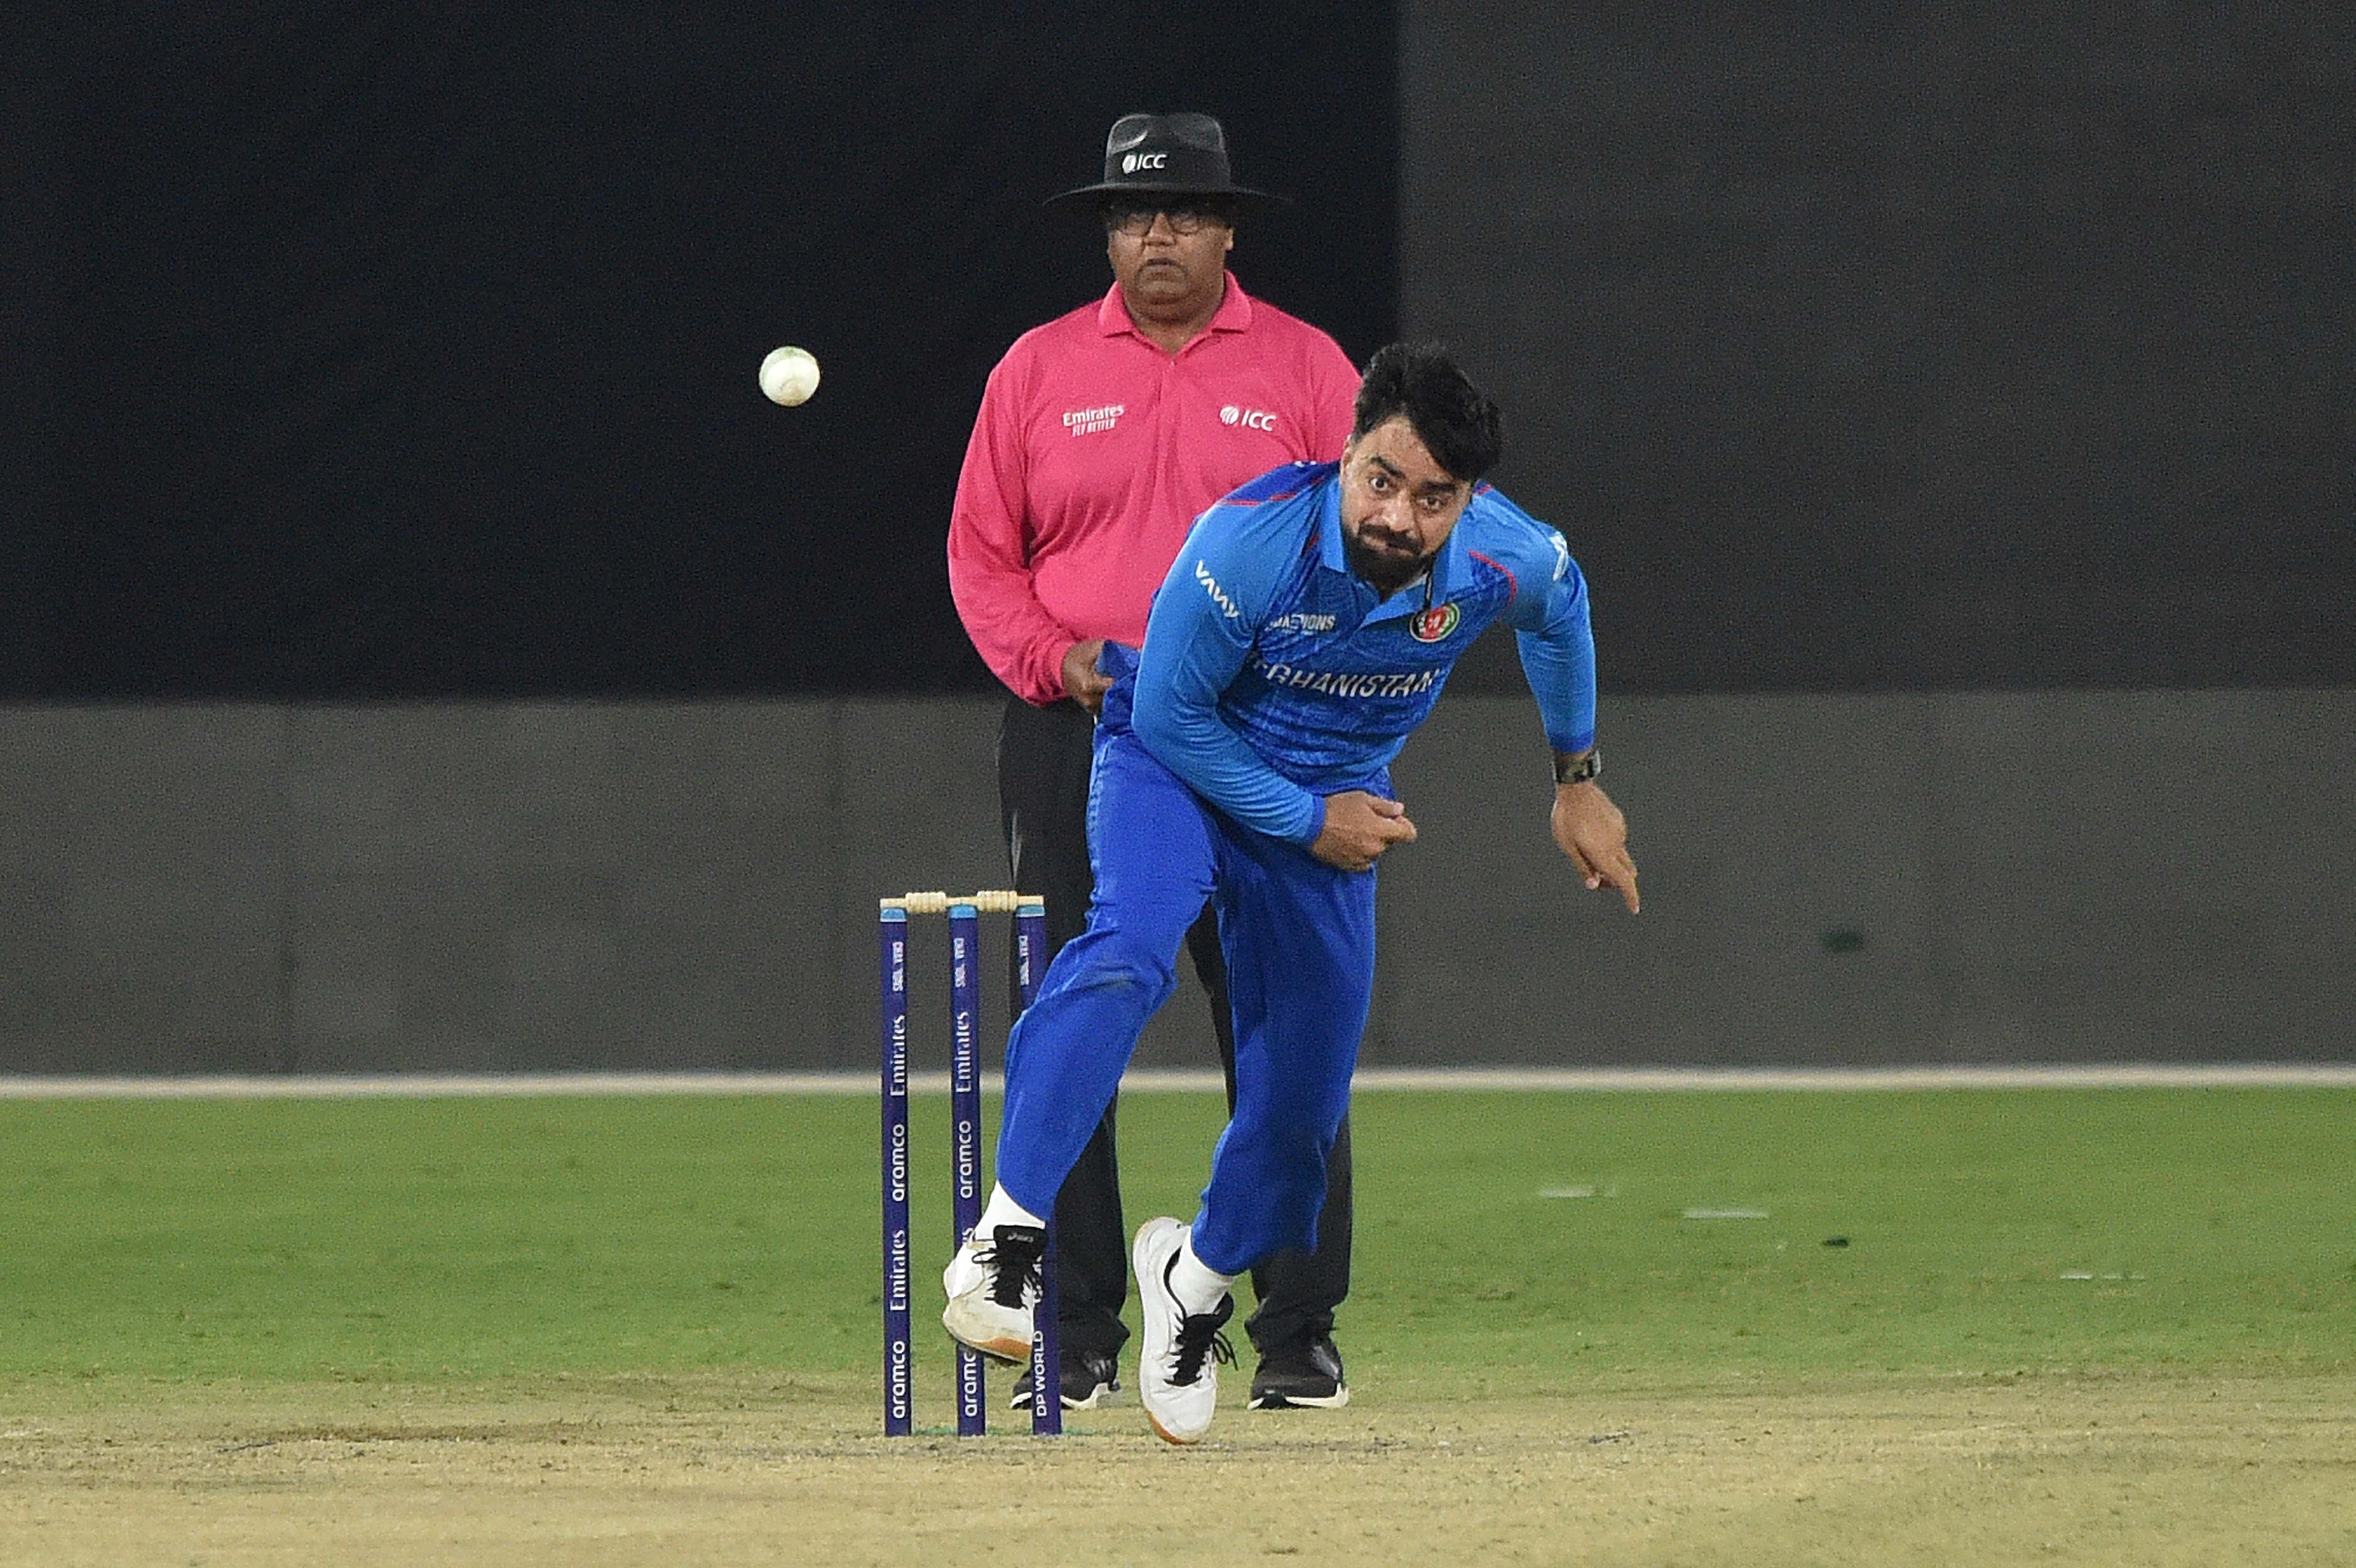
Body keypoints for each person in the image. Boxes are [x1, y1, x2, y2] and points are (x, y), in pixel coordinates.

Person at [942, 343, 1641, 1445]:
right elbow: (1169, 719)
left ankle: (1194, 1279)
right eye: (1380, 478)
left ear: (1470, 500)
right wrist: (1308, 818)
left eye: (1432, 498)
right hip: (1175, 764)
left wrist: (1576, 781)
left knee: (1301, 1107)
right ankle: (1005, 1241)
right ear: (1346, 453)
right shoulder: (1248, 540)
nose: (1398, 516)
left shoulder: (1510, 557)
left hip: (1329, 801)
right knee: (1125, 953)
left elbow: (1565, 614)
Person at [947, 112, 1363, 1412]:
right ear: (1110, 233)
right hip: (1083, 727)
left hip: (1262, 732)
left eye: (1185, 211)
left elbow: (1372, 549)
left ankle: (1292, 1331)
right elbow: (983, 562)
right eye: (1136, 214)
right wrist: (1058, 662)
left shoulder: (1305, 369)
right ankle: (1070, 1330)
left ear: (1228, 228)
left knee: (1285, 1030)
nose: (1160, 233)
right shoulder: (1036, 369)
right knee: (1083, 1002)